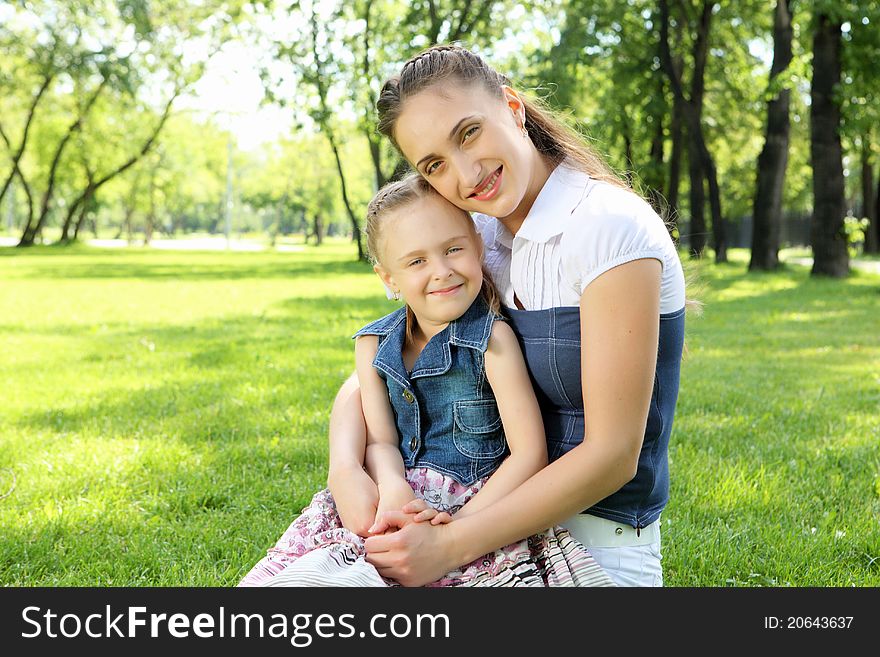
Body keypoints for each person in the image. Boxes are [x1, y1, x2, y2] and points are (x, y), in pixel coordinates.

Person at [328, 44, 688, 587]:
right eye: (434, 165)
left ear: (513, 107)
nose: (466, 173)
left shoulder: (609, 228)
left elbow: (615, 455)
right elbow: (386, 367)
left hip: (593, 546)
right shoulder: (475, 245)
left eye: (468, 132)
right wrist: (349, 461)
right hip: (463, 519)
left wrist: (447, 545)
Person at [238, 174, 614, 587]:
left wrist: (453, 528)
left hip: (474, 511)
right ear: (389, 279)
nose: (442, 271)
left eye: (454, 249)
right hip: (392, 502)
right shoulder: (373, 344)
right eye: (417, 261)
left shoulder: (492, 340)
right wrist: (393, 487)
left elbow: (528, 455)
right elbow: (380, 440)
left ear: (476, 245)